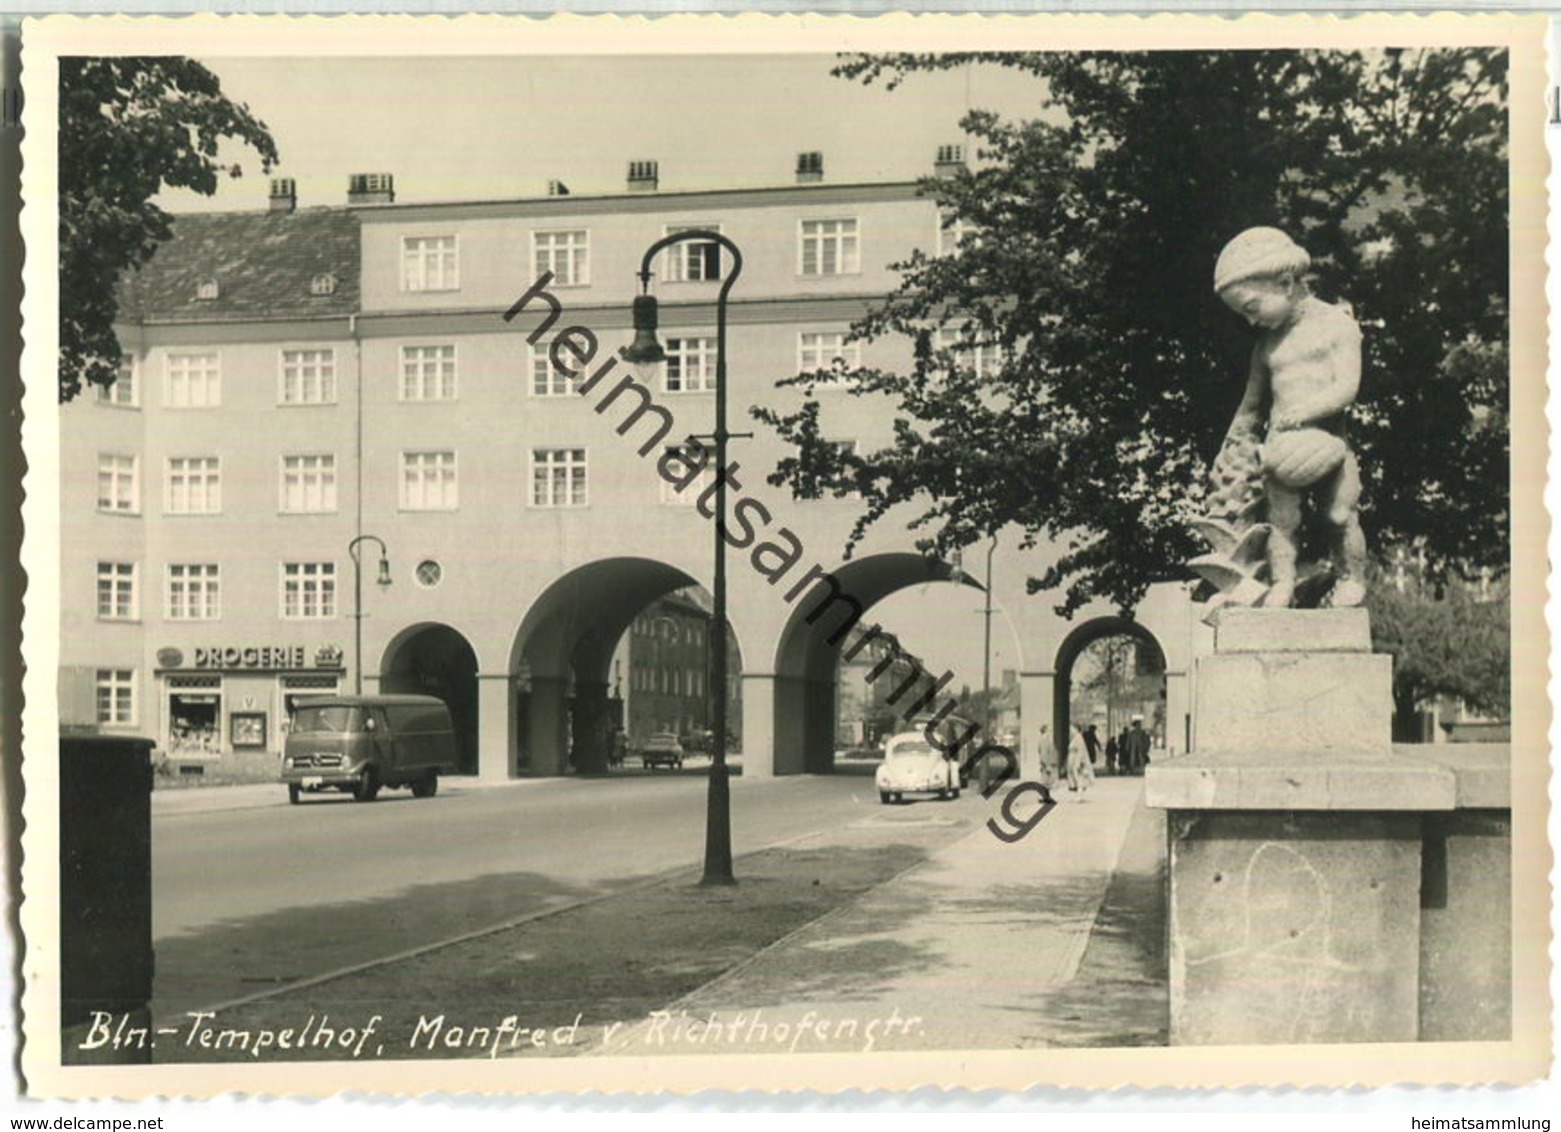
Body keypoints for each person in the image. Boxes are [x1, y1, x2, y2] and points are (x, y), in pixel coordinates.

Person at [1211, 227, 1368, 608]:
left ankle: (1352, 578)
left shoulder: (1338, 327)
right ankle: (1283, 583)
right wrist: (1231, 447)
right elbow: (1251, 404)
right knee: (1280, 521)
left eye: (1251, 308)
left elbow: (1347, 388)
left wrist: (1303, 413)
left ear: (1285, 283)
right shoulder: (1267, 346)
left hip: (1329, 443)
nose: (1251, 321)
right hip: (1281, 452)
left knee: (1339, 513)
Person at [1065, 725, 1095, 797]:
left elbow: (1081, 751)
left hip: (1076, 760)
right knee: (1076, 778)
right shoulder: (1075, 738)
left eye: (1071, 729)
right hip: (1073, 760)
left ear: (1076, 729)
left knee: (1078, 777)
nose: (1070, 731)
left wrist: (1078, 762)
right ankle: (1078, 793)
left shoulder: (1078, 737)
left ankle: (1079, 794)